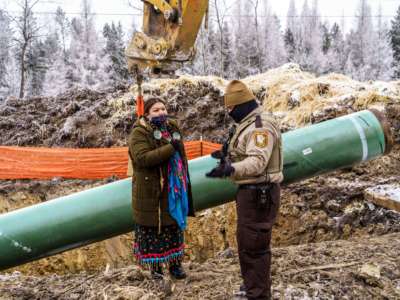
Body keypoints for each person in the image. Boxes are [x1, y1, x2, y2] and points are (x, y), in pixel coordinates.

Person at [206, 80, 283, 300]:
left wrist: (229, 169)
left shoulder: (260, 126)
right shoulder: (249, 122)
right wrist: (227, 155)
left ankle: (258, 295)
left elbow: (258, 161)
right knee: (248, 245)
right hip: (252, 193)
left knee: (254, 248)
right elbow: (245, 150)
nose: (229, 113)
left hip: (260, 193)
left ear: (241, 105)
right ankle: (254, 287)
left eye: (230, 109)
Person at [128, 97, 194, 280]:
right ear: (147, 113)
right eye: (156, 110)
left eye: (163, 108)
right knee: (153, 229)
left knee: (172, 225)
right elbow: (142, 158)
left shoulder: (171, 127)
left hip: (172, 187)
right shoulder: (139, 132)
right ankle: (155, 269)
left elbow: (181, 153)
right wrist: (170, 148)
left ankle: (175, 266)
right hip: (151, 191)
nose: (161, 112)